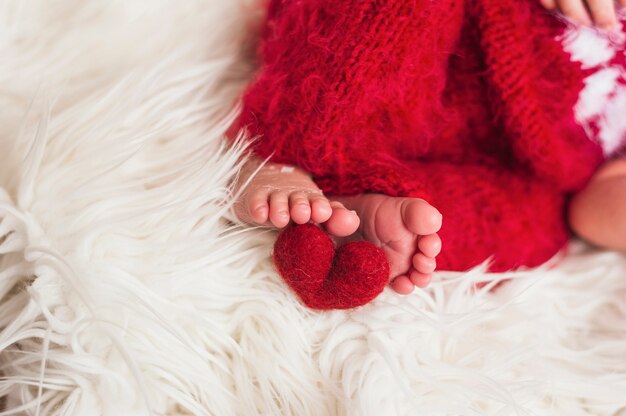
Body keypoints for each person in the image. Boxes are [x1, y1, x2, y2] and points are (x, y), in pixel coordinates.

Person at [233, 0, 626, 295]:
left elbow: (591, 211)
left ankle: (372, 217)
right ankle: (283, 154)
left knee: (538, 228)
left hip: (520, 160)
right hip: (437, 43)